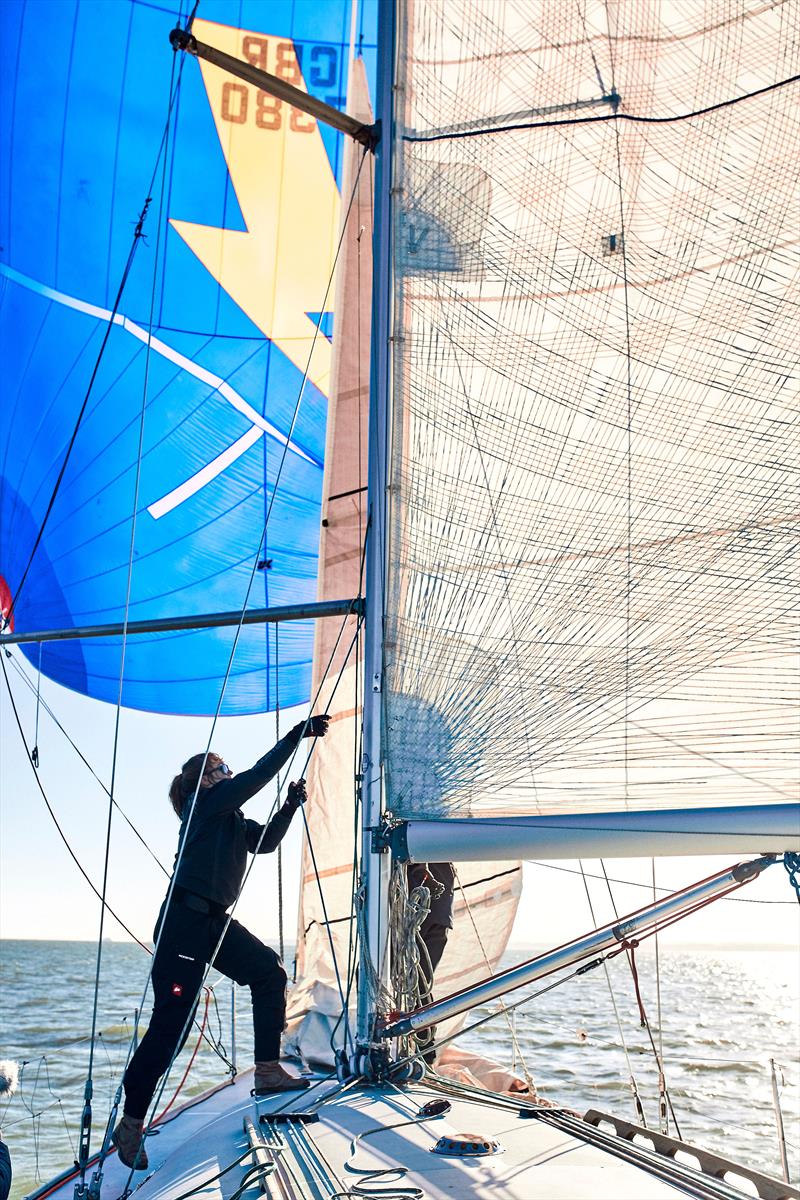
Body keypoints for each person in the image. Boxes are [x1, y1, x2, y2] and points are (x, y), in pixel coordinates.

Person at [112, 715, 329, 1170]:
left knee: (269, 972)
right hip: (184, 925)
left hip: (212, 922)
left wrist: (289, 806)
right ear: (202, 781)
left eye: (227, 767)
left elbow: (266, 842)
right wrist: (295, 736)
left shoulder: (230, 818)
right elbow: (254, 778)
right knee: (171, 1029)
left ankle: (268, 1069)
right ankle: (130, 1124)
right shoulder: (203, 806)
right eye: (221, 767)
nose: (228, 772)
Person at [406, 862, 455, 1065]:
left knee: (418, 984)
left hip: (420, 907)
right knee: (419, 984)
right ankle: (424, 1052)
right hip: (435, 908)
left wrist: (419, 871)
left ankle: (424, 1053)